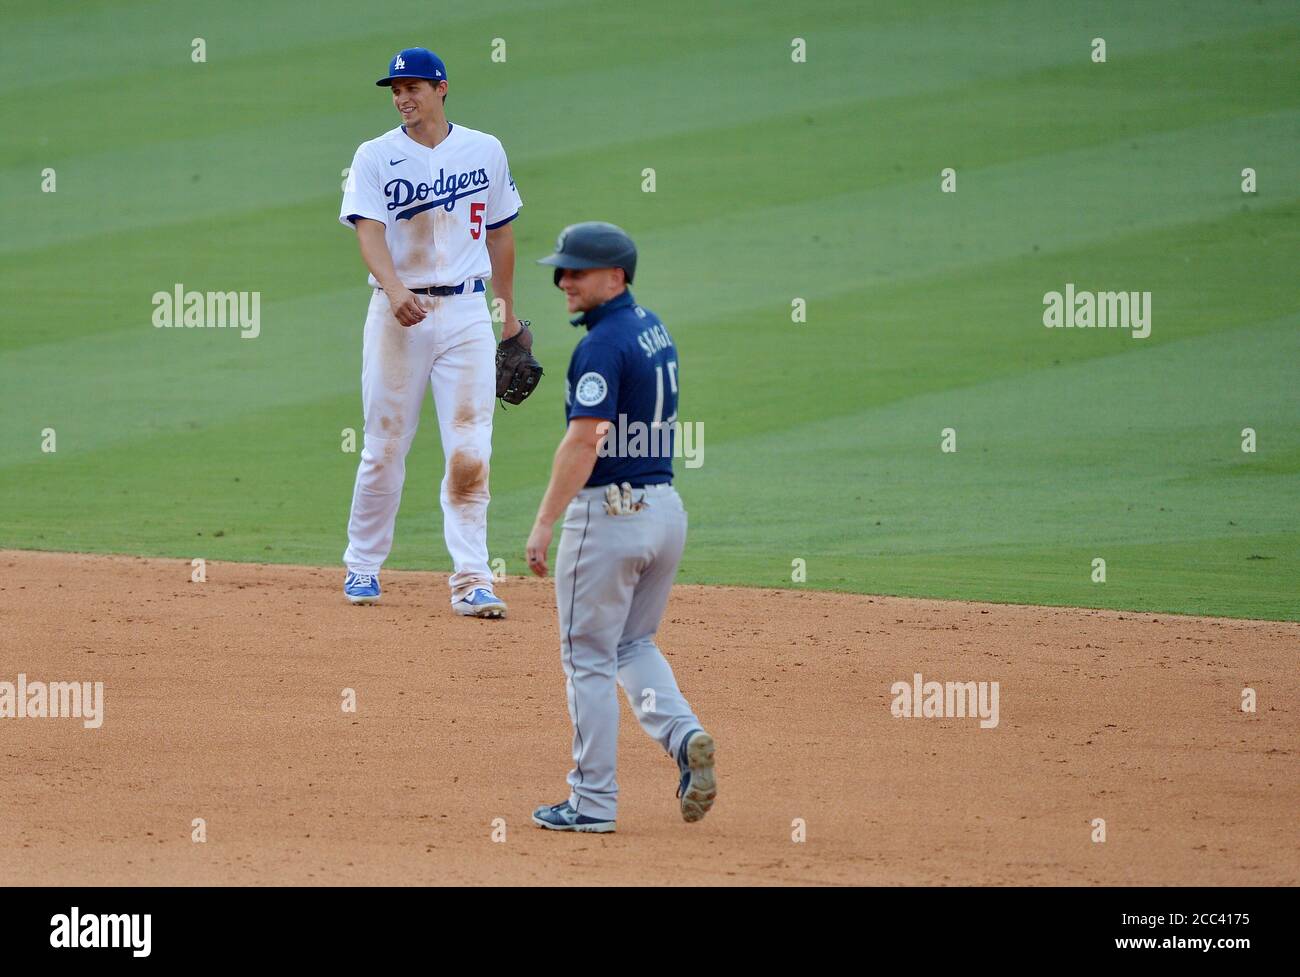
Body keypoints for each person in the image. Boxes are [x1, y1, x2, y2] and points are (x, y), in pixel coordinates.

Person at [525, 222, 716, 832]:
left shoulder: (602, 345)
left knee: (587, 658)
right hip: (664, 513)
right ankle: (684, 736)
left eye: (577, 271)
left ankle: (591, 803)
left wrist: (545, 520)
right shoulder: (652, 327)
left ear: (617, 276)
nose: (564, 281)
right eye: (561, 270)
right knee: (632, 644)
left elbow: (585, 441)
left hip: (608, 518)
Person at [338, 47, 523, 618]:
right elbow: (368, 231)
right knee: (384, 446)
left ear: (441, 88)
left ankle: (472, 580)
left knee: (471, 448)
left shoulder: (484, 149)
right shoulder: (374, 156)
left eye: (413, 86)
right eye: (395, 89)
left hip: (467, 314)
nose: (402, 97)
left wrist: (509, 315)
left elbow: (500, 235)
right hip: (398, 313)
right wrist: (395, 291)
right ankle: (363, 565)